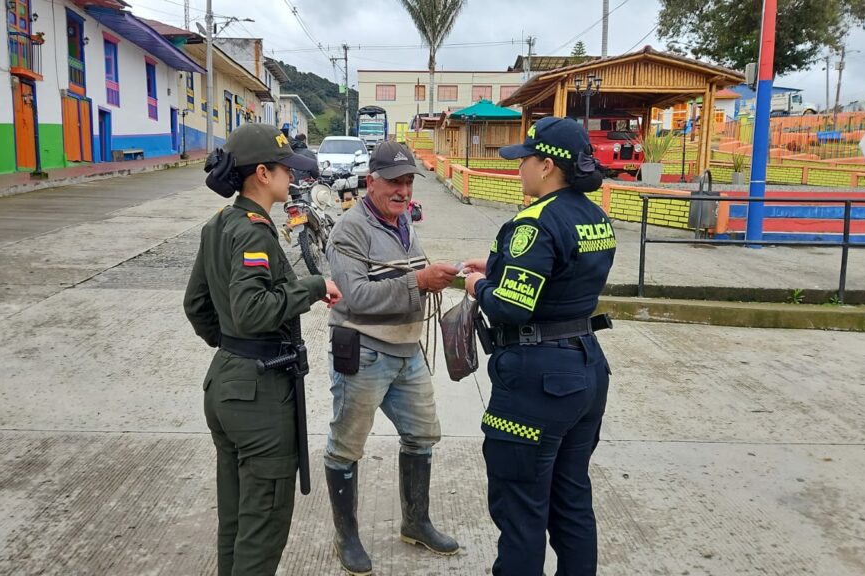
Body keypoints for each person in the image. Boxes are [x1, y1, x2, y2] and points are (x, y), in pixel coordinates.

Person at [183, 123, 342, 576]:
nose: (291, 178)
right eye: (284, 169)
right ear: (261, 174)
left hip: (227, 383)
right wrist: (311, 286)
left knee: (234, 520)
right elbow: (252, 309)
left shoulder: (219, 225)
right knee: (263, 526)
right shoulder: (253, 231)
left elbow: (196, 305)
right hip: (258, 398)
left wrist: (232, 347)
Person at [463, 116, 616, 576]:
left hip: (537, 383)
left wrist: (477, 286)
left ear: (547, 165)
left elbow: (512, 306)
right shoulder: (596, 217)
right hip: (585, 367)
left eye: (525, 159)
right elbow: (558, 282)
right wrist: (494, 270)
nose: (520, 168)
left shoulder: (534, 220)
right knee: (571, 499)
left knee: (522, 508)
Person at [323, 141, 461, 575]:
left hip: (407, 350)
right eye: (394, 182)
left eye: (408, 181)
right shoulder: (349, 230)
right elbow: (356, 296)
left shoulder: (403, 223)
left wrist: (438, 277)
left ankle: (416, 522)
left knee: (422, 437)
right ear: (371, 182)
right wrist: (419, 281)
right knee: (346, 447)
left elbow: (403, 275)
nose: (403, 191)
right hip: (364, 352)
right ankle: (346, 536)